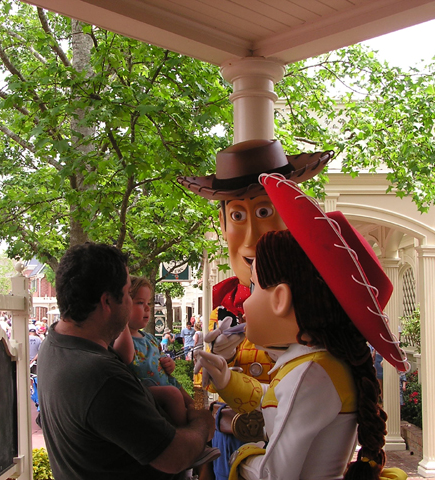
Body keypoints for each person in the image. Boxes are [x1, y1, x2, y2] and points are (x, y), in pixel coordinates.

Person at [196, 174, 409, 480]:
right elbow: (277, 397)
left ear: (280, 299)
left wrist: (240, 458)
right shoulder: (313, 365)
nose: (246, 303)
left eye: (255, 287)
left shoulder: (312, 373)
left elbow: (274, 474)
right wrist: (226, 377)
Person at [178, 139, 332, 480]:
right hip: (229, 440)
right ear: (223, 224)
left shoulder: (316, 307)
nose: (252, 237)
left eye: (264, 211)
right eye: (237, 215)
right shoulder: (224, 308)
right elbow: (202, 391)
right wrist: (214, 384)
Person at [37, 243, 214, 480]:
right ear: (107, 302)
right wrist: (203, 423)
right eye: (128, 294)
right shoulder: (101, 376)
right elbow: (175, 456)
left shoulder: (54, 344)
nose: (132, 304)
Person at [113, 276, 220, 467]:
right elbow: (126, 356)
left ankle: (201, 441)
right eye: (139, 303)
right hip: (146, 390)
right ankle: (185, 443)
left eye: (148, 303)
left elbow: (160, 360)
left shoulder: (149, 338)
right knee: (172, 394)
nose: (147, 308)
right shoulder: (123, 337)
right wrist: (122, 318)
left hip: (164, 383)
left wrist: (169, 364)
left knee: (190, 403)